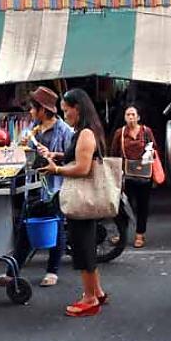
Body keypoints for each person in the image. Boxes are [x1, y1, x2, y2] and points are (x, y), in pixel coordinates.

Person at [0, 86, 73, 288]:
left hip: (54, 187)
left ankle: (52, 271)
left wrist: (52, 156)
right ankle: (11, 273)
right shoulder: (32, 129)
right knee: (24, 228)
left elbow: (71, 159)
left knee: (56, 226)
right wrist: (23, 146)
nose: (31, 113)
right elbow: (20, 156)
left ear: (44, 109)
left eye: (34, 108)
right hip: (31, 186)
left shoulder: (64, 131)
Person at [42, 88, 107, 317]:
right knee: (86, 244)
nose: (64, 115)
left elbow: (83, 168)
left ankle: (89, 299)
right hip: (84, 201)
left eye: (66, 110)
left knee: (82, 247)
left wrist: (56, 169)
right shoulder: (86, 131)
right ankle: (96, 291)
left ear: (77, 108)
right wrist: (59, 156)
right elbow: (77, 158)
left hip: (82, 200)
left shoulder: (85, 133)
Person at [110, 105, 158, 248]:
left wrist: (149, 153)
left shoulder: (146, 131)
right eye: (128, 115)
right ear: (125, 117)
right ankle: (122, 234)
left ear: (138, 117)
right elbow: (114, 152)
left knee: (143, 206)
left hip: (144, 176)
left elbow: (155, 148)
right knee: (124, 206)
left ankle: (140, 235)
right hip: (126, 175)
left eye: (133, 115)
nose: (131, 117)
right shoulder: (120, 132)